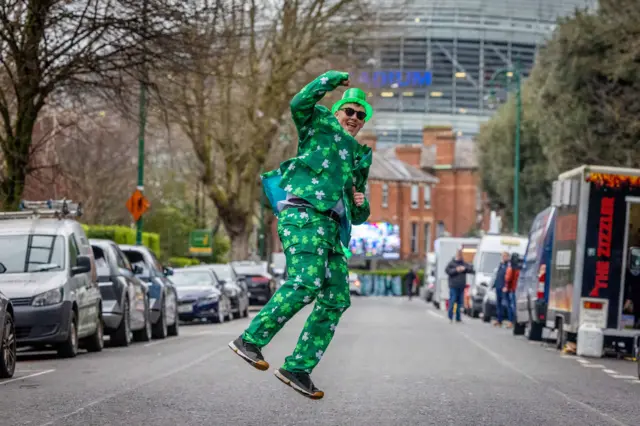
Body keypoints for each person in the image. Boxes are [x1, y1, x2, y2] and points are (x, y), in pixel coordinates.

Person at [228, 70, 373, 400]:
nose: (354, 118)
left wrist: (360, 202)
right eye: (349, 111)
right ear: (338, 112)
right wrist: (331, 79)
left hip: (332, 229)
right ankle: (250, 340)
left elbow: (360, 215)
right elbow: (299, 102)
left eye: (360, 116)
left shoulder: (357, 158)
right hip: (303, 215)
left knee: (337, 298)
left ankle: (298, 367)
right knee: (306, 281)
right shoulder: (318, 127)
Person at [445, 248, 475, 323]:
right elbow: (447, 271)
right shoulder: (452, 263)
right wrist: (456, 270)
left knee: (459, 302)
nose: (460, 256)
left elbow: (471, 269)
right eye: (459, 254)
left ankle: (458, 318)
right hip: (453, 285)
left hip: (461, 286)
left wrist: (464, 268)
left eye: (461, 254)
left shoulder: (463, 263)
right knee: (453, 300)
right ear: (456, 255)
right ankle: (450, 317)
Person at [492, 252, 511, 327]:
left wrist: (506, 286)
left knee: (506, 304)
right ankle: (499, 320)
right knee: (498, 304)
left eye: (505, 256)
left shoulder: (509, 265)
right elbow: (498, 275)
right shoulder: (501, 264)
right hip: (498, 287)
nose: (503, 258)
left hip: (504, 287)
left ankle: (510, 321)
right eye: (503, 256)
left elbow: (508, 277)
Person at [504, 253, 522, 328]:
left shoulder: (512, 268)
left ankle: (512, 321)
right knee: (515, 306)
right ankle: (516, 321)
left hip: (513, 289)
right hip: (519, 290)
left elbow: (508, 279)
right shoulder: (520, 267)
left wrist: (507, 288)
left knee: (511, 306)